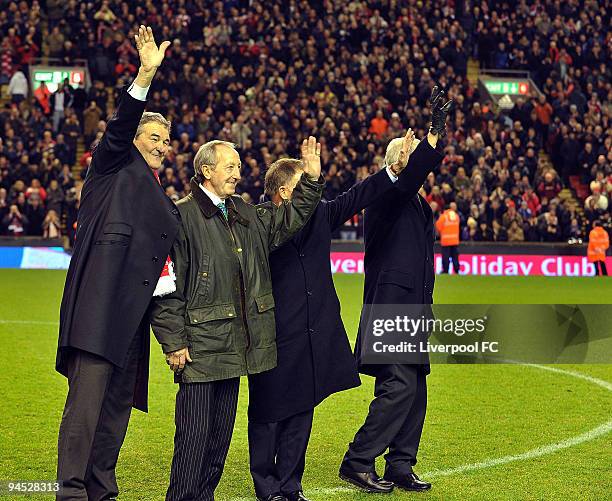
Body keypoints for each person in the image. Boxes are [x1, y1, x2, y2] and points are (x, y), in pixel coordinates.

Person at [149, 138, 324, 501]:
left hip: (235, 344)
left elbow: (287, 219)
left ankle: (204, 496)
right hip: (199, 346)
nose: (237, 174)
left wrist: (310, 180)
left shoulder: (243, 211)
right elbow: (166, 284)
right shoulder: (180, 215)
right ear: (207, 171)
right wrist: (174, 341)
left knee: (218, 440)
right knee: (193, 437)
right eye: (230, 167)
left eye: (239, 166)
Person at [248, 128, 418, 501]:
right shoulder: (258, 221)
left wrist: (394, 169)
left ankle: (290, 486)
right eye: (303, 181)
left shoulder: (319, 216)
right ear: (283, 192)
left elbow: (360, 195)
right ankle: (266, 486)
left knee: (301, 411)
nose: (312, 186)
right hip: (272, 332)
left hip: (312, 332)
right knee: (268, 412)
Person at [55, 26, 178, 501]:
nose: (161, 144)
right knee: (86, 405)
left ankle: (100, 487)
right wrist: (145, 74)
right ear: (134, 138)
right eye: (153, 136)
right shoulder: (112, 165)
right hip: (100, 307)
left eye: (165, 140)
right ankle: (70, 490)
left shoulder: (161, 196)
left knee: (115, 410)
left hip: (133, 317)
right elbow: (121, 124)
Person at [340, 86, 451, 494]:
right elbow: (406, 182)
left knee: (415, 387)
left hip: (412, 310)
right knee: (399, 385)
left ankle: (400, 464)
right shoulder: (387, 197)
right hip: (391, 309)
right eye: (409, 154)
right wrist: (433, 134)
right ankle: (357, 460)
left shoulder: (415, 203)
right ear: (396, 164)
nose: (416, 160)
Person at [435, 201, 461, 273]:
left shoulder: (444, 216)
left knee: (446, 257)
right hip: (455, 240)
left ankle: (446, 270)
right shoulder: (456, 216)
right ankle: (457, 270)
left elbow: (438, 226)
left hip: (446, 241)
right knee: (455, 257)